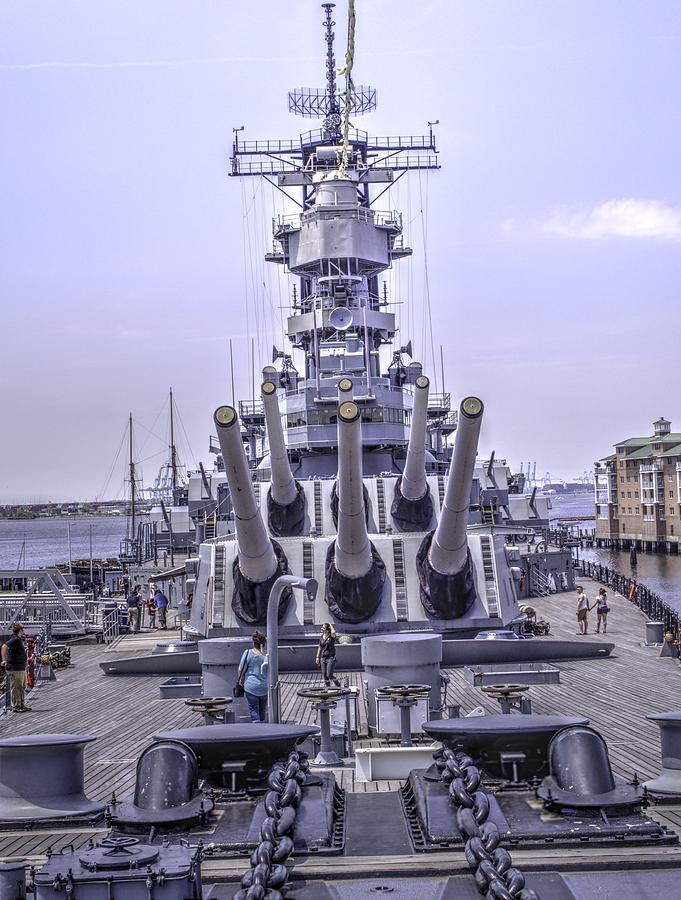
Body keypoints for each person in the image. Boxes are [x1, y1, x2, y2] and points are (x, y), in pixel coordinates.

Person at [238, 631, 269, 723]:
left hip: (251, 686)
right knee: (262, 709)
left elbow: (240, 669)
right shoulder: (266, 655)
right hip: (264, 687)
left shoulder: (248, 653)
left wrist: (242, 681)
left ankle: (257, 727)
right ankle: (263, 727)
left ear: (253, 642)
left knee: (253, 709)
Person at [1, 622, 31, 712]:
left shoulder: (18, 639)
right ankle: (16, 707)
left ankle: (21, 704)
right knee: (16, 687)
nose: (24, 630)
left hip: (20, 667)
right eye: (23, 629)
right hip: (15, 668)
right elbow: (4, 647)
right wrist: (4, 660)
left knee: (21, 687)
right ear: (20, 630)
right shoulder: (15, 639)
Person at [316, 623, 340, 687]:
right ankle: (328, 688)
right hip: (323, 658)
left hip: (331, 658)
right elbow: (320, 647)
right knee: (324, 675)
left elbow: (334, 632)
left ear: (327, 630)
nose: (321, 628)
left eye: (323, 628)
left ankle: (338, 685)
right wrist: (317, 657)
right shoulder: (321, 637)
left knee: (329, 675)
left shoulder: (331, 636)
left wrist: (330, 624)